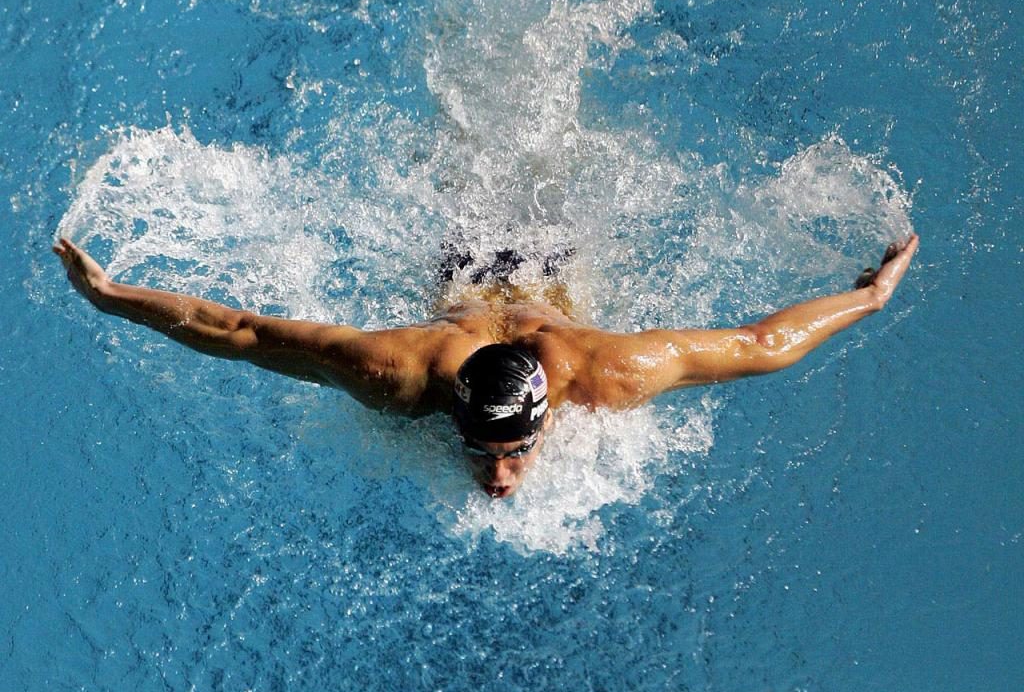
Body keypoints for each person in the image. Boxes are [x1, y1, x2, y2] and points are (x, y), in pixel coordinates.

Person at [54, 233, 919, 499]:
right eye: (482, 454)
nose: (499, 479)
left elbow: (763, 345)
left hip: (552, 264)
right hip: (461, 266)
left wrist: (870, 298)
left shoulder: (609, 375)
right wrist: (110, 292)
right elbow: (241, 330)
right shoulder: (399, 373)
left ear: (550, 413)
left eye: (511, 452)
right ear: (452, 412)